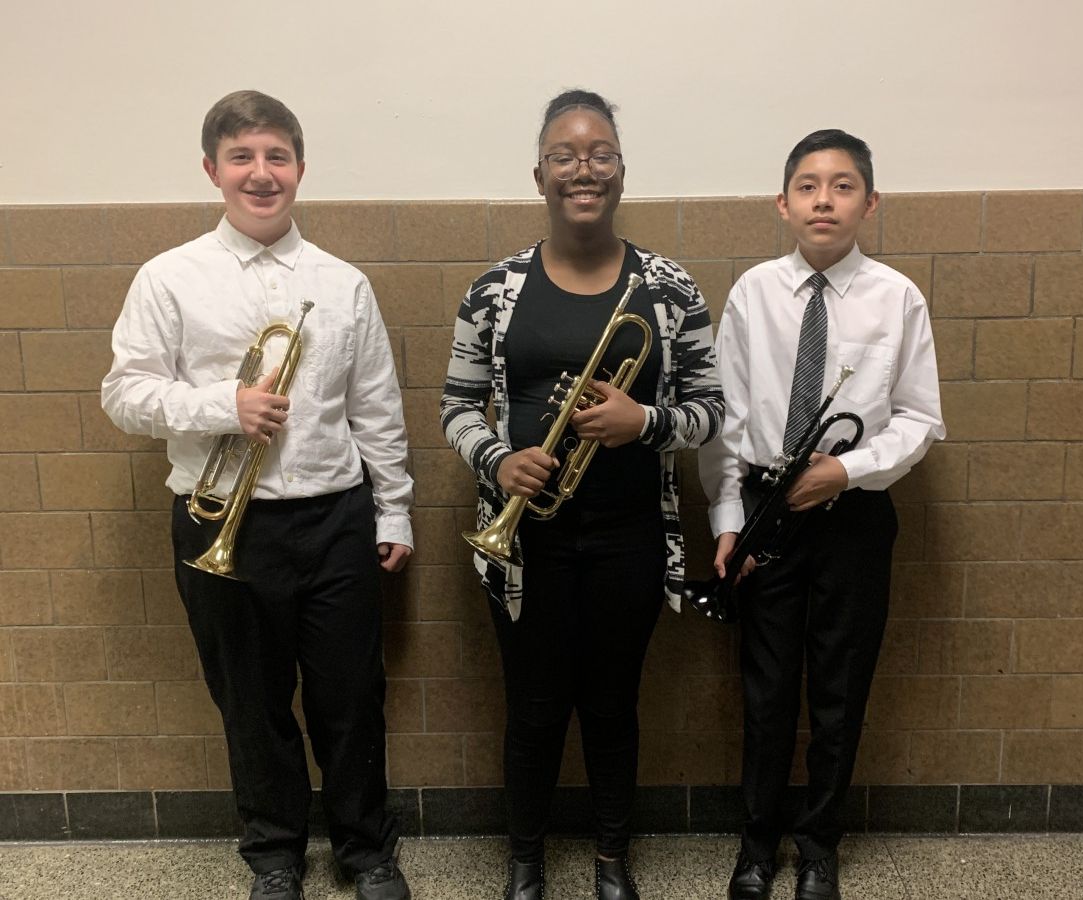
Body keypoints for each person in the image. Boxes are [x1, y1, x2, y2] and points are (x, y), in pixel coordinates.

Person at [101, 90, 414, 900]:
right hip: (218, 523)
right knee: (251, 701)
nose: (261, 173)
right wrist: (221, 406)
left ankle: (365, 849)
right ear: (213, 170)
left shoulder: (343, 284)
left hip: (335, 516)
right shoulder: (170, 278)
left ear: (300, 169)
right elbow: (124, 394)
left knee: (352, 698)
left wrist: (395, 510)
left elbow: (376, 409)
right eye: (242, 158)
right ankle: (274, 853)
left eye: (276, 156)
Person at [441, 89, 724, 900]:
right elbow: (455, 405)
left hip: (631, 535)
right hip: (523, 538)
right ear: (540, 175)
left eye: (599, 153)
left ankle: (610, 860)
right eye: (565, 156)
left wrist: (647, 420)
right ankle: (524, 863)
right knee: (532, 710)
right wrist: (496, 460)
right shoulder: (493, 289)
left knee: (610, 705)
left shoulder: (670, 290)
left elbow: (714, 412)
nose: (582, 169)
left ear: (622, 172)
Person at [698, 129, 944, 900]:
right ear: (783, 203)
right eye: (807, 186)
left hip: (853, 518)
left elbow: (919, 418)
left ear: (869, 203)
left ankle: (820, 846)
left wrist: (847, 467)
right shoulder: (752, 292)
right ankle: (757, 844)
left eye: (842, 186)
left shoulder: (897, 297)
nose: (824, 200)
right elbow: (728, 420)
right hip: (769, 513)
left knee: (840, 690)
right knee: (766, 693)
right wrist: (729, 519)